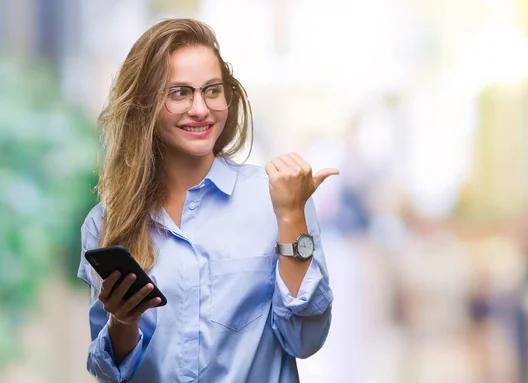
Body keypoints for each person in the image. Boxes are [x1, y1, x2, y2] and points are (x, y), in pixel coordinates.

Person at [77, 18, 338, 383]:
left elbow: (306, 339)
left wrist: (293, 216)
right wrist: (123, 321)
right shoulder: (107, 222)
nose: (200, 109)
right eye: (180, 93)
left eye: (212, 91)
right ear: (145, 104)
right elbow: (107, 371)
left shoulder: (277, 198)